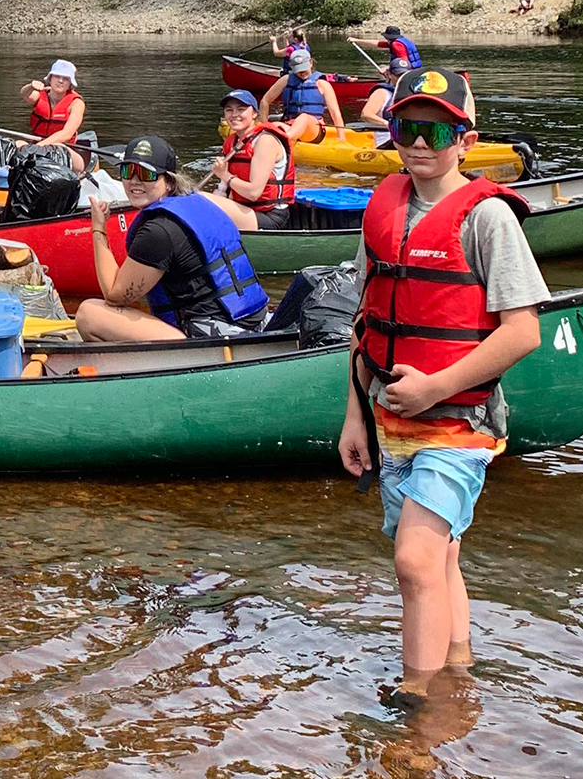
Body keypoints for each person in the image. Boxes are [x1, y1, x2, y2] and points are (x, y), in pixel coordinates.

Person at [337, 68, 549, 707]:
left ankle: (419, 714)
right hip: (391, 423)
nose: (419, 143)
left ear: (465, 139)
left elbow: (522, 334)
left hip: (461, 422)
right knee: (442, 559)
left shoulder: (487, 219)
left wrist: (435, 389)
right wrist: (354, 416)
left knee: (414, 564)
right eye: (406, 128)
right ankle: (458, 674)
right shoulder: (384, 208)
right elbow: (366, 320)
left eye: (435, 130)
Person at [76, 135, 269, 342]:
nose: (134, 181)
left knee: (89, 314)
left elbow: (114, 295)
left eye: (145, 174)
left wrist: (98, 228)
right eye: (127, 171)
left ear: (168, 180)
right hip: (253, 319)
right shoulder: (201, 201)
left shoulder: (158, 231)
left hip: (209, 333)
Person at [211, 89, 296, 230]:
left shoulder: (265, 141)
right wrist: (219, 193)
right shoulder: (232, 142)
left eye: (241, 109)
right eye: (229, 110)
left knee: (203, 201)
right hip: (247, 211)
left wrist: (225, 175)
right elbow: (224, 188)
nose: (234, 115)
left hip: (270, 217)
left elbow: (253, 193)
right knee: (195, 200)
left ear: (255, 114)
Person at [260, 50, 345, 143]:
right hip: (291, 125)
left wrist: (342, 138)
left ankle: (285, 139)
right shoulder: (286, 80)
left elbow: (335, 113)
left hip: (313, 130)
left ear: (311, 63)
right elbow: (265, 101)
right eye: (298, 70)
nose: (301, 73)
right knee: (275, 125)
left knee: (304, 117)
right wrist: (264, 125)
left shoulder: (322, 84)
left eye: (303, 69)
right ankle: (269, 138)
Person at [23, 59, 87, 171]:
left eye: (66, 78)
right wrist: (30, 86)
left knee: (57, 147)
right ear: (50, 78)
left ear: (70, 83)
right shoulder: (40, 95)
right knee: (18, 144)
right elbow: (25, 95)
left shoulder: (76, 104)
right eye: (57, 76)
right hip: (37, 149)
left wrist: (39, 147)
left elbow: (67, 134)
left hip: (66, 152)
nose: (61, 81)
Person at [349, 26, 424, 72]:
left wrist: (387, 69)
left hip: (408, 71)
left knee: (382, 68)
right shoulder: (401, 41)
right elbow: (378, 43)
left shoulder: (396, 44)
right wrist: (357, 40)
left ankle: (388, 85)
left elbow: (404, 62)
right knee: (382, 67)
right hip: (415, 68)